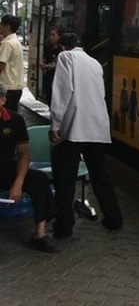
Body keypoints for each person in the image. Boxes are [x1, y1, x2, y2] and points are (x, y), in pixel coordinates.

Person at [49, 32, 123, 238]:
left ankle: (64, 226)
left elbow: (63, 92)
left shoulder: (66, 58)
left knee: (65, 178)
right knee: (101, 175)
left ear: (64, 47)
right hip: (97, 126)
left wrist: (55, 123)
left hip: (74, 128)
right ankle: (114, 218)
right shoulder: (95, 63)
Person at [0, 82, 59, 252]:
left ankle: (39, 235)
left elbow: (24, 153)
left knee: (39, 180)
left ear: (3, 100)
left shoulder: (15, 121)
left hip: (7, 171)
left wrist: (18, 183)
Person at [0, 14, 24, 112]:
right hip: (15, 87)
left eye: (1, 24)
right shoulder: (15, 41)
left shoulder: (7, 43)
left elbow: (1, 65)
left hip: (7, 87)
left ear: (7, 27)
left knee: (5, 118)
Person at [39, 26, 64, 105]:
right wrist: (44, 65)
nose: (51, 37)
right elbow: (43, 60)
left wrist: (53, 66)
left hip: (58, 76)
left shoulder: (62, 49)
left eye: (53, 35)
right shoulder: (48, 48)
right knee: (49, 95)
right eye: (50, 35)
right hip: (49, 76)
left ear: (59, 36)